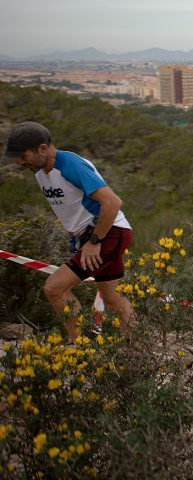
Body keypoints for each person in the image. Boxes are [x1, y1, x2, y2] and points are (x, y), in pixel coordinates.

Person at [4, 121, 135, 339]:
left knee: (54, 288)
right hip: (96, 235)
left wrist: (94, 241)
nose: (19, 162)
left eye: (23, 156)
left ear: (43, 148)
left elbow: (112, 202)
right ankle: (137, 349)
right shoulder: (40, 172)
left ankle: (81, 347)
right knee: (112, 299)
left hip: (108, 232)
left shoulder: (70, 165)